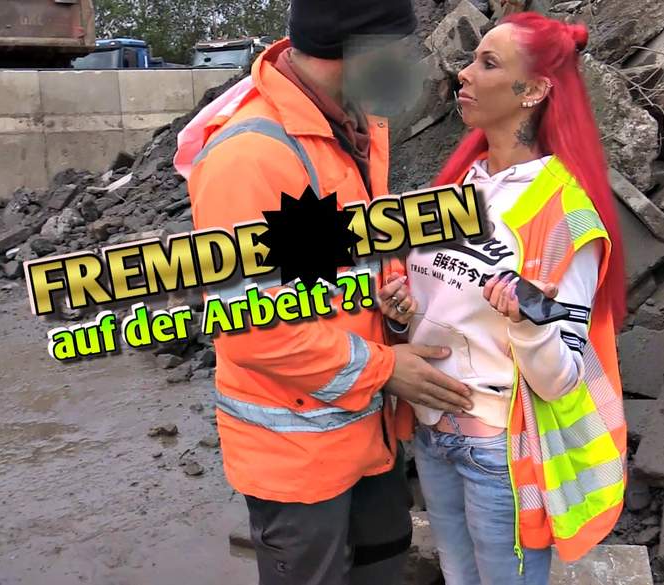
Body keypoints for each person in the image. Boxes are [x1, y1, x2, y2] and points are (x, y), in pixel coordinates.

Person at [177, 1, 475, 584]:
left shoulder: (357, 123)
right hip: (297, 458)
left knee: (383, 564)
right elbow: (252, 330)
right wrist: (386, 370)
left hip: (368, 434)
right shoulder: (252, 157)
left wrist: (390, 295)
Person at [379, 12, 628, 585]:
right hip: (432, 434)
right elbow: (436, 311)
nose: (462, 73)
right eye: (471, 59)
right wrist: (400, 314)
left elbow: (562, 380)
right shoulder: (456, 187)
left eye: (487, 64)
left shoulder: (565, 215)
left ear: (533, 90)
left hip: (498, 452)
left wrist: (529, 323)